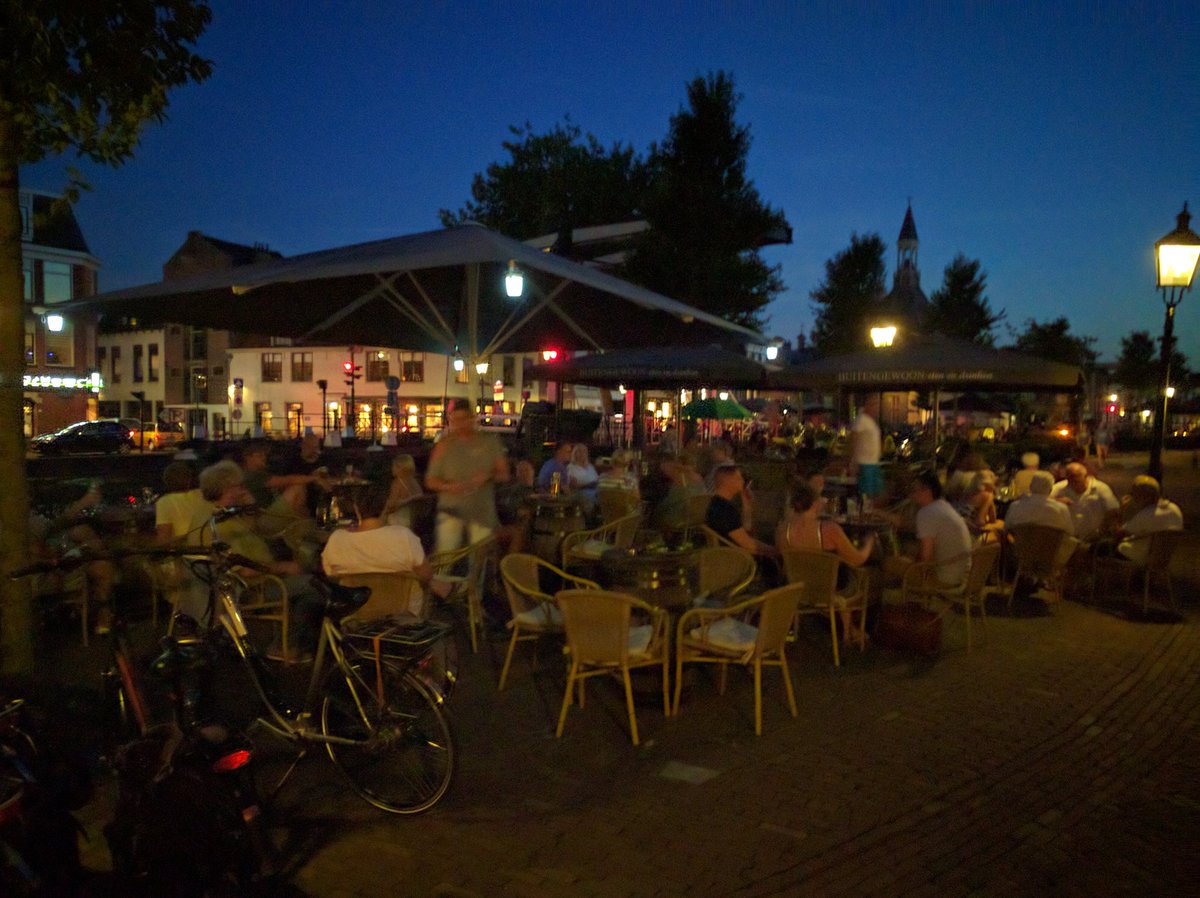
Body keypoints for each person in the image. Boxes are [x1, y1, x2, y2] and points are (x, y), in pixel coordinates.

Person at [198, 460, 325, 660]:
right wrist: (282, 567)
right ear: (226, 490)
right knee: (317, 586)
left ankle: (290, 644)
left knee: (313, 580)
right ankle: (286, 646)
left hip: (263, 581)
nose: (242, 490)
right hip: (253, 588)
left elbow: (258, 530)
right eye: (238, 487)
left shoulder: (230, 517)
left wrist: (249, 505)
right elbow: (243, 570)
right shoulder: (220, 526)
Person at [776, 481, 874, 642]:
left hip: (796, 586)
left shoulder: (782, 529)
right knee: (853, 574)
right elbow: (857, 559)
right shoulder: (829, 529)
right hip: (827, 589)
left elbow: (782, 557)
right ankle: (850, 630)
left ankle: (848, 629)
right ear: (815, 503)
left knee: (837, 571)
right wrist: (869, 543)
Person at [425, 398, 510, 554]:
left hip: (481, 512)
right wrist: (448, 487)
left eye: (464, 419)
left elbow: (504, 474)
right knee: (445, 556)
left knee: (479, 559)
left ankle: (475, 578)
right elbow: (430, 481)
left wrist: (488, 476)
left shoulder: (490, 442)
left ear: (472, 418)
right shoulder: (444, 445)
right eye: (456, 420)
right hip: (451, 510)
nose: (460, 424)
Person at [896, 470, 973, 588]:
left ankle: (899, 598)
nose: (912, 494)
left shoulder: (926, 513)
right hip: (962, 574)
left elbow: (926, 558)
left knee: (890, 562)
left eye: (914, 490)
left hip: (945, 579)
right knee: (908, 550)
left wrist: (910, 564)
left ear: (926, 491)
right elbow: (906, 523)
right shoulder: (943, 506)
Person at [706, 465, 776, 559]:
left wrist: (746, 504)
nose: (743, 481)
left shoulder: (717, 503)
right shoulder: (724, 509)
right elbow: (748, 544)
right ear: (727, 482)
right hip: (736, 558)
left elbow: (746, 528)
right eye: (739, 478)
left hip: (730, 552)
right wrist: (777, 551)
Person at [1116, 476, 1183, 564]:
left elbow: (1118, 534)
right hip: (1163, 558)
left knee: (1101, 548)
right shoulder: (1174, 509)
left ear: (1142, 497)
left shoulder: (1147, 515)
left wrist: (1121, 510)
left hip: (1140, 557)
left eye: (1134, 495)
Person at [1050, 462, 1119, 543]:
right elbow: (1044, 501)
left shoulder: (1100, 488)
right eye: (1069, 479)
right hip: (1068, 539)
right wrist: (1056, 501)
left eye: (1075, 479)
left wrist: (1102, 529)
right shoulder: (1059, 488)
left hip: (1094, 539)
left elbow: (1113, 510)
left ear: (1085, 476)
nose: (1071, 483)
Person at [1005, 471, 1073, 534]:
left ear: (1030, 486)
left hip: (1022, 546)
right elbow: (1069, 532)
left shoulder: (1015, 506)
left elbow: (1007, 528)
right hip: (1051, 546)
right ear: (1050, 489)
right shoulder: (1061, 509)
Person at [848, 394, 884, 501]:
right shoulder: (861, 420)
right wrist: (853, 461)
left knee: (876, 493)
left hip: (873, 462)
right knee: (866, 494)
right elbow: (853, 439)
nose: (876, 408)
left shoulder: (871, 421)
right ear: (868, 406)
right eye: (874, 405)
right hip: (865, 463)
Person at [382, 454, 424, 528]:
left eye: (394, 466)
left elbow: (391, 505)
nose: (392, 468)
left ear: (400, 468)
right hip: (414, 520)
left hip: (399, 521)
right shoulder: (415, 481)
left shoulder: (398, 483)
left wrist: (381, 517)